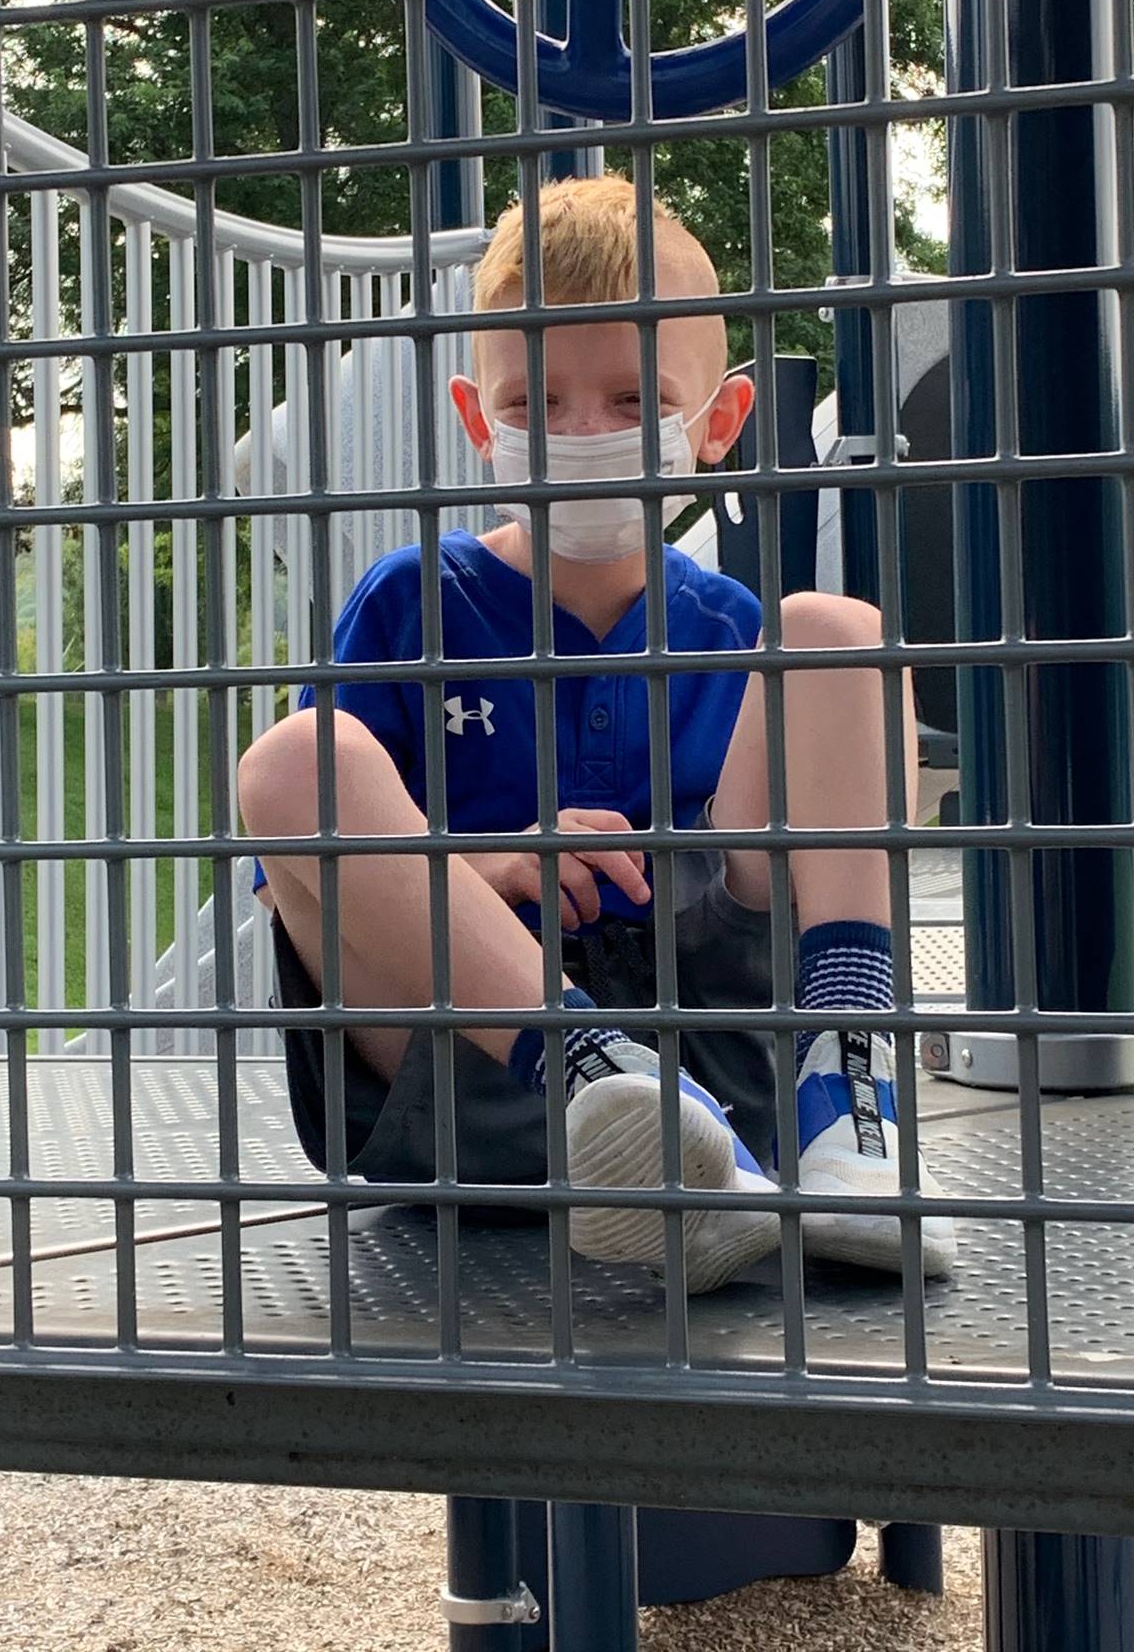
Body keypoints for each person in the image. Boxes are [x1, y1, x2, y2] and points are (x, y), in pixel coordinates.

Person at [238, 173, 955, 1294]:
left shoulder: (727, 629)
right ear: (482, 422)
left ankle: (845, 1082)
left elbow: (841, 825)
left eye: (633, 401)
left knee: (834, 633)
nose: (584, 434)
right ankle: (594, 1069)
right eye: (536, 405)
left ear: (716, 424)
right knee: (292, 758)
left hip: (716, 1050)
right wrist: (486, 863)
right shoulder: (410, 602)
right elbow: (302, 883)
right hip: (474, 1062)